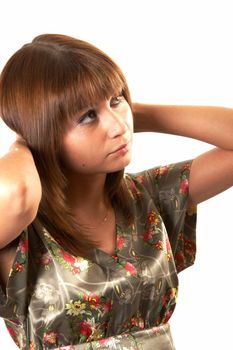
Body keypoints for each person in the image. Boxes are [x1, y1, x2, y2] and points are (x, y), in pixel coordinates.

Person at [0, 34, 232, 350]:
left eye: (116, 100)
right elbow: (15, 194)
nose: (117, 125)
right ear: (44, 131)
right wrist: (26, 140)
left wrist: (138, 114)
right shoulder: (21, 229)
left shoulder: (148, 196)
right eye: (87, 116)